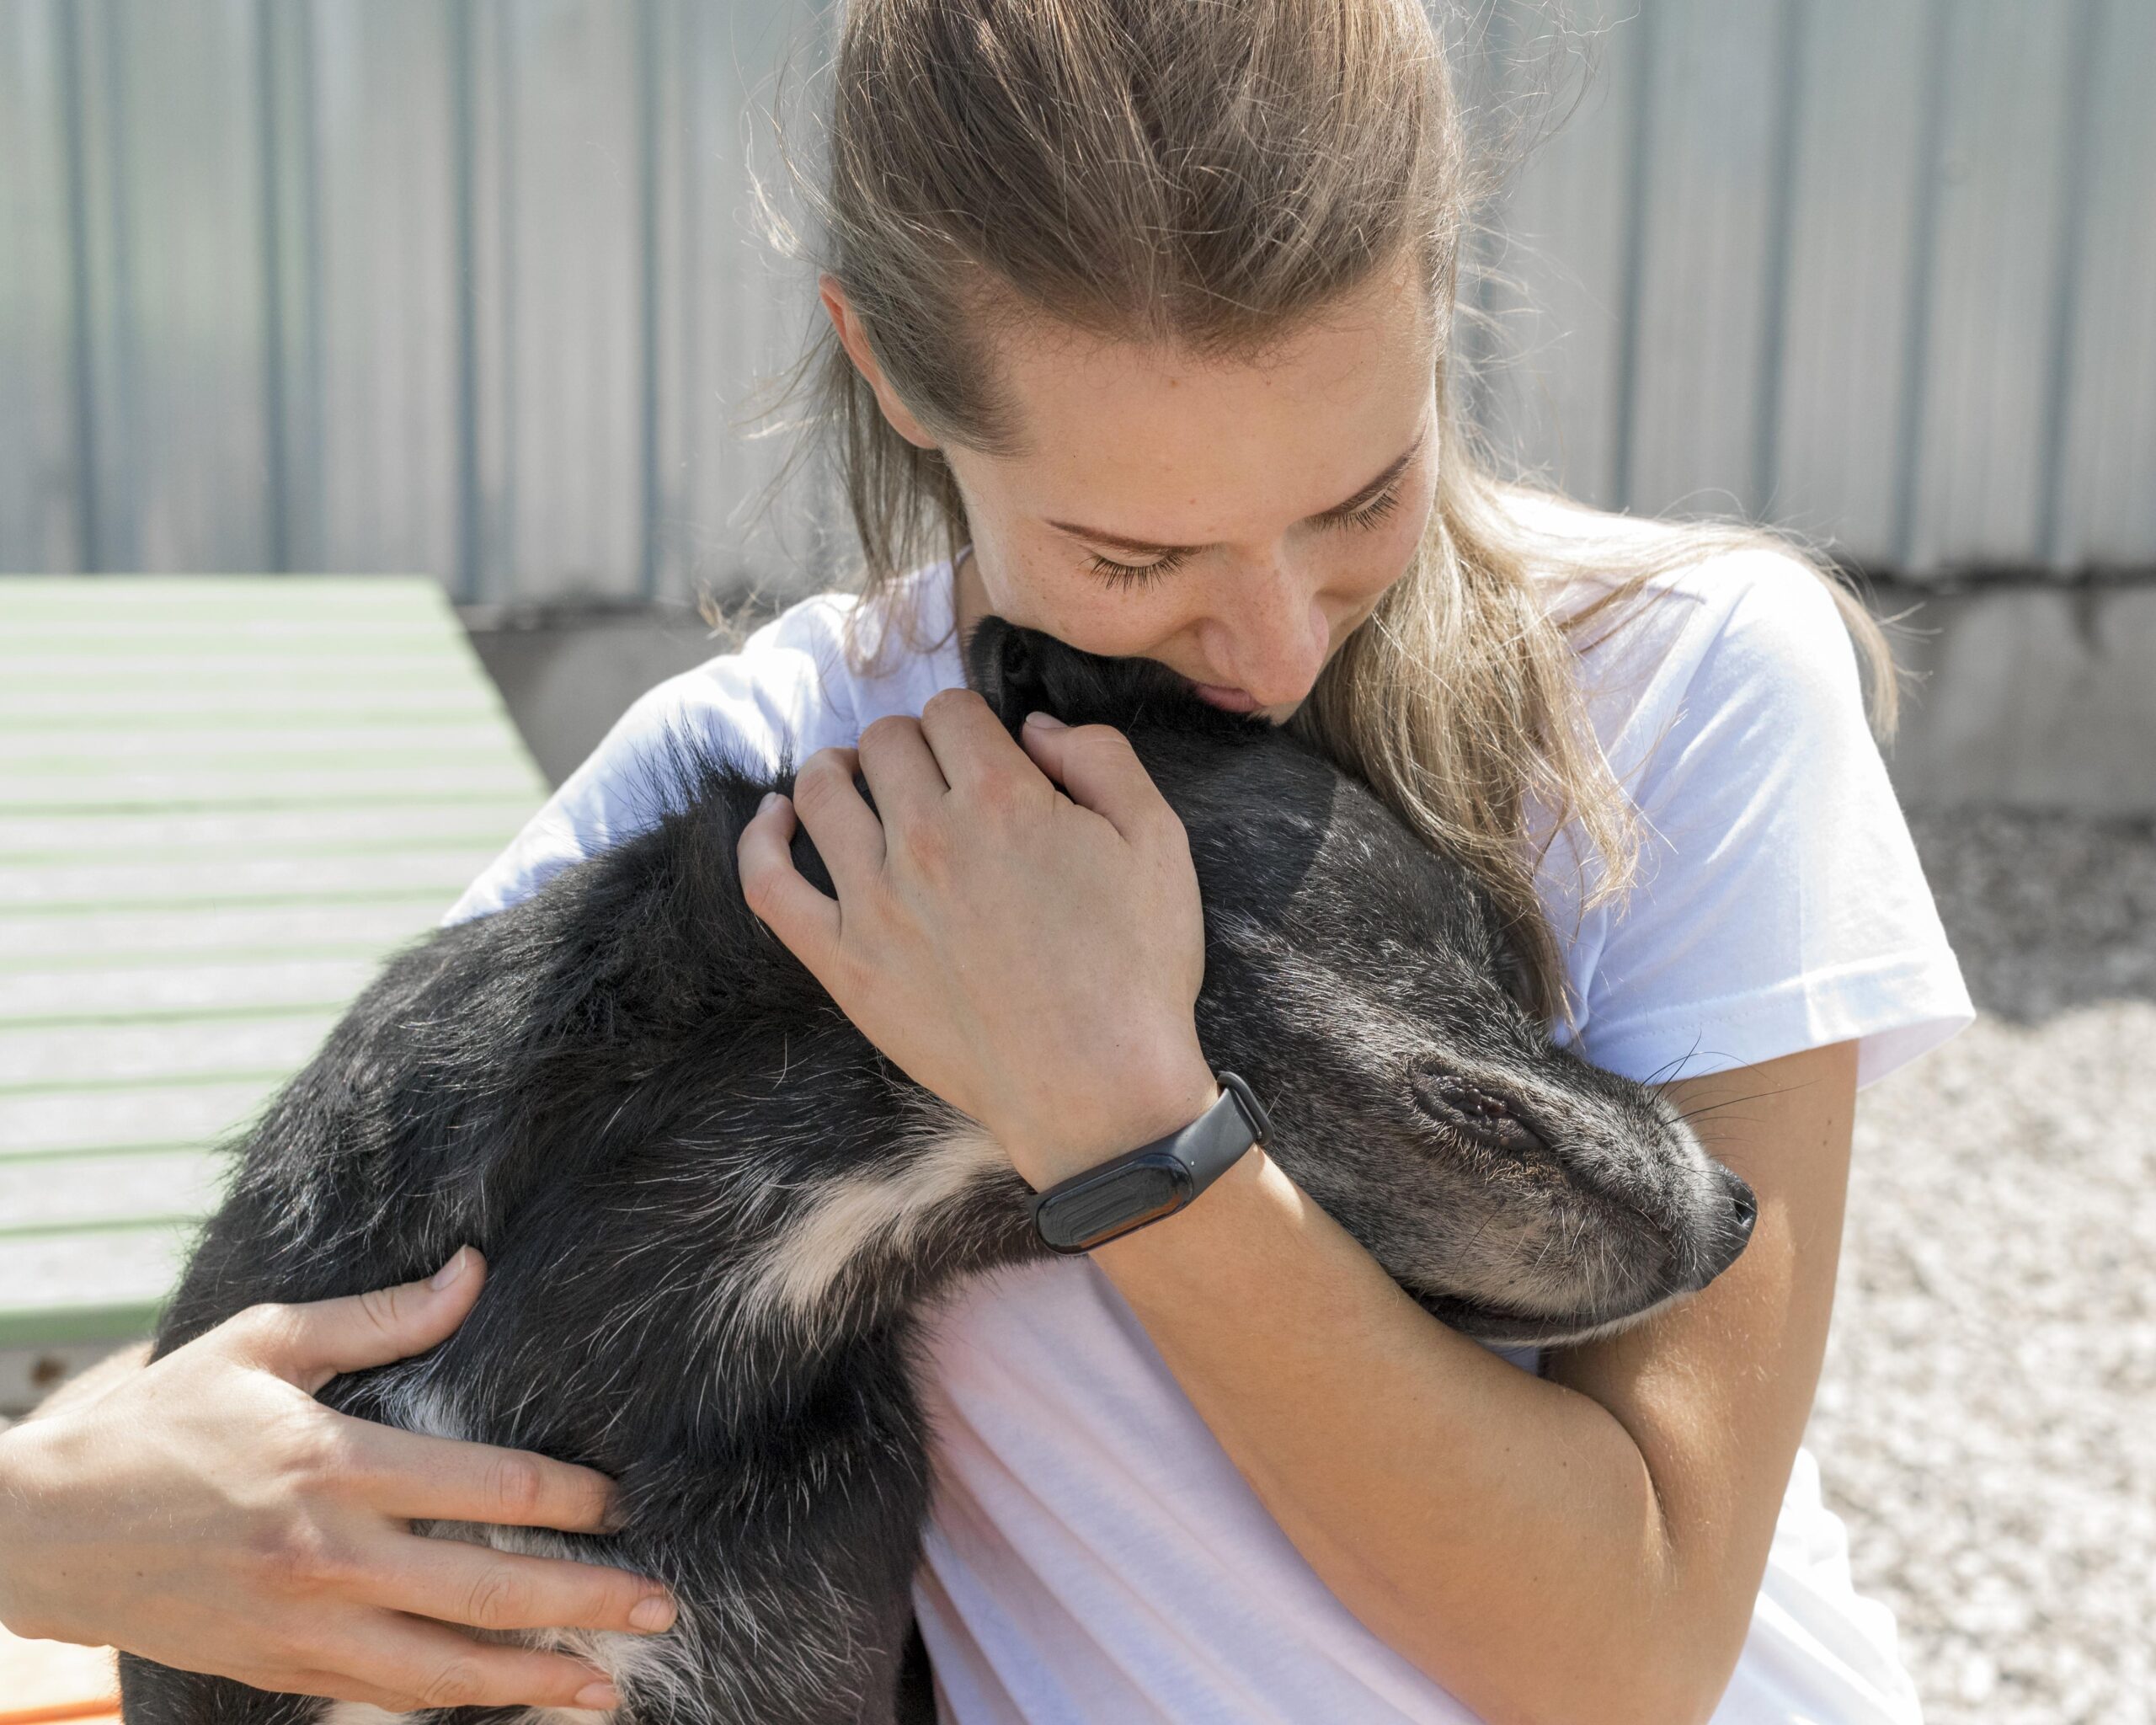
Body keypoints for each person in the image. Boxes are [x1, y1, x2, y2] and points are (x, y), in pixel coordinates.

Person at [0, 2, 1976, 1719]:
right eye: (1133, 556)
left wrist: (1117, 1116)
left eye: (1359, 497)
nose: (1274, 642)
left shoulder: (1683, 683)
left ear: (1437, 282)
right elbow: (302, 1313)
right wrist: (39, 1518)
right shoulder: (789, 778)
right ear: (887, 368)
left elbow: (1625, 1656)